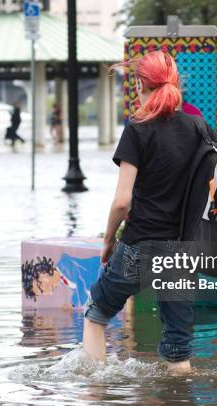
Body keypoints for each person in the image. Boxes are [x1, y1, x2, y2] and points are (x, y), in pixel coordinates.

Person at [82, 51, 201, 375]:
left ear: (139, 85)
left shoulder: (138, 129)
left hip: (141, 244)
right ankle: (180, 395)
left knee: (96, 314)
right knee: (178, 349)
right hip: (183, 249)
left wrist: (108, 240)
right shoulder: (198, 126)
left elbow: (123, 201)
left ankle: (97, 390)